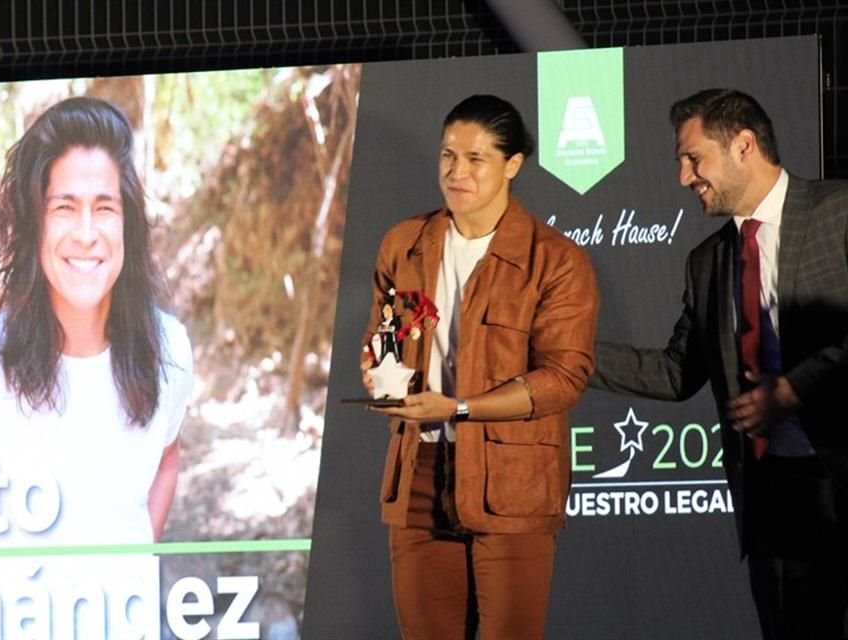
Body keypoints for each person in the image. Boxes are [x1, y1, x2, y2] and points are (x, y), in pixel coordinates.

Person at [590, 88, 848, 639]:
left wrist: (795, 390)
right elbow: (675, 372)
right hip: (777, 497)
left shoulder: (839, 212)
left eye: (693, 158)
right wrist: (561, 353)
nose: (684, 177)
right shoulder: (708, 262)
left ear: (744, 146)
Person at [0, 96, 193, 638]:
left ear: (128, 222)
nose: (86, 233)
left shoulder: (169, 349)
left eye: (104, 207)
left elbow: (169, 454)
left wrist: (132, 550)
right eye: (64, 207)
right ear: (35, 226)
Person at [362, 94, 599, 640]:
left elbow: (563, 377)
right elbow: (386, 344)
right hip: (417, 477)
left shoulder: (556, 259)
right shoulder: (406, 244)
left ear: (512, 165)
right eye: (448, 156)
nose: (456, 172)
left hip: (513, 486)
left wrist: (460, 408)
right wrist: (385, 380)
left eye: (475, 159)